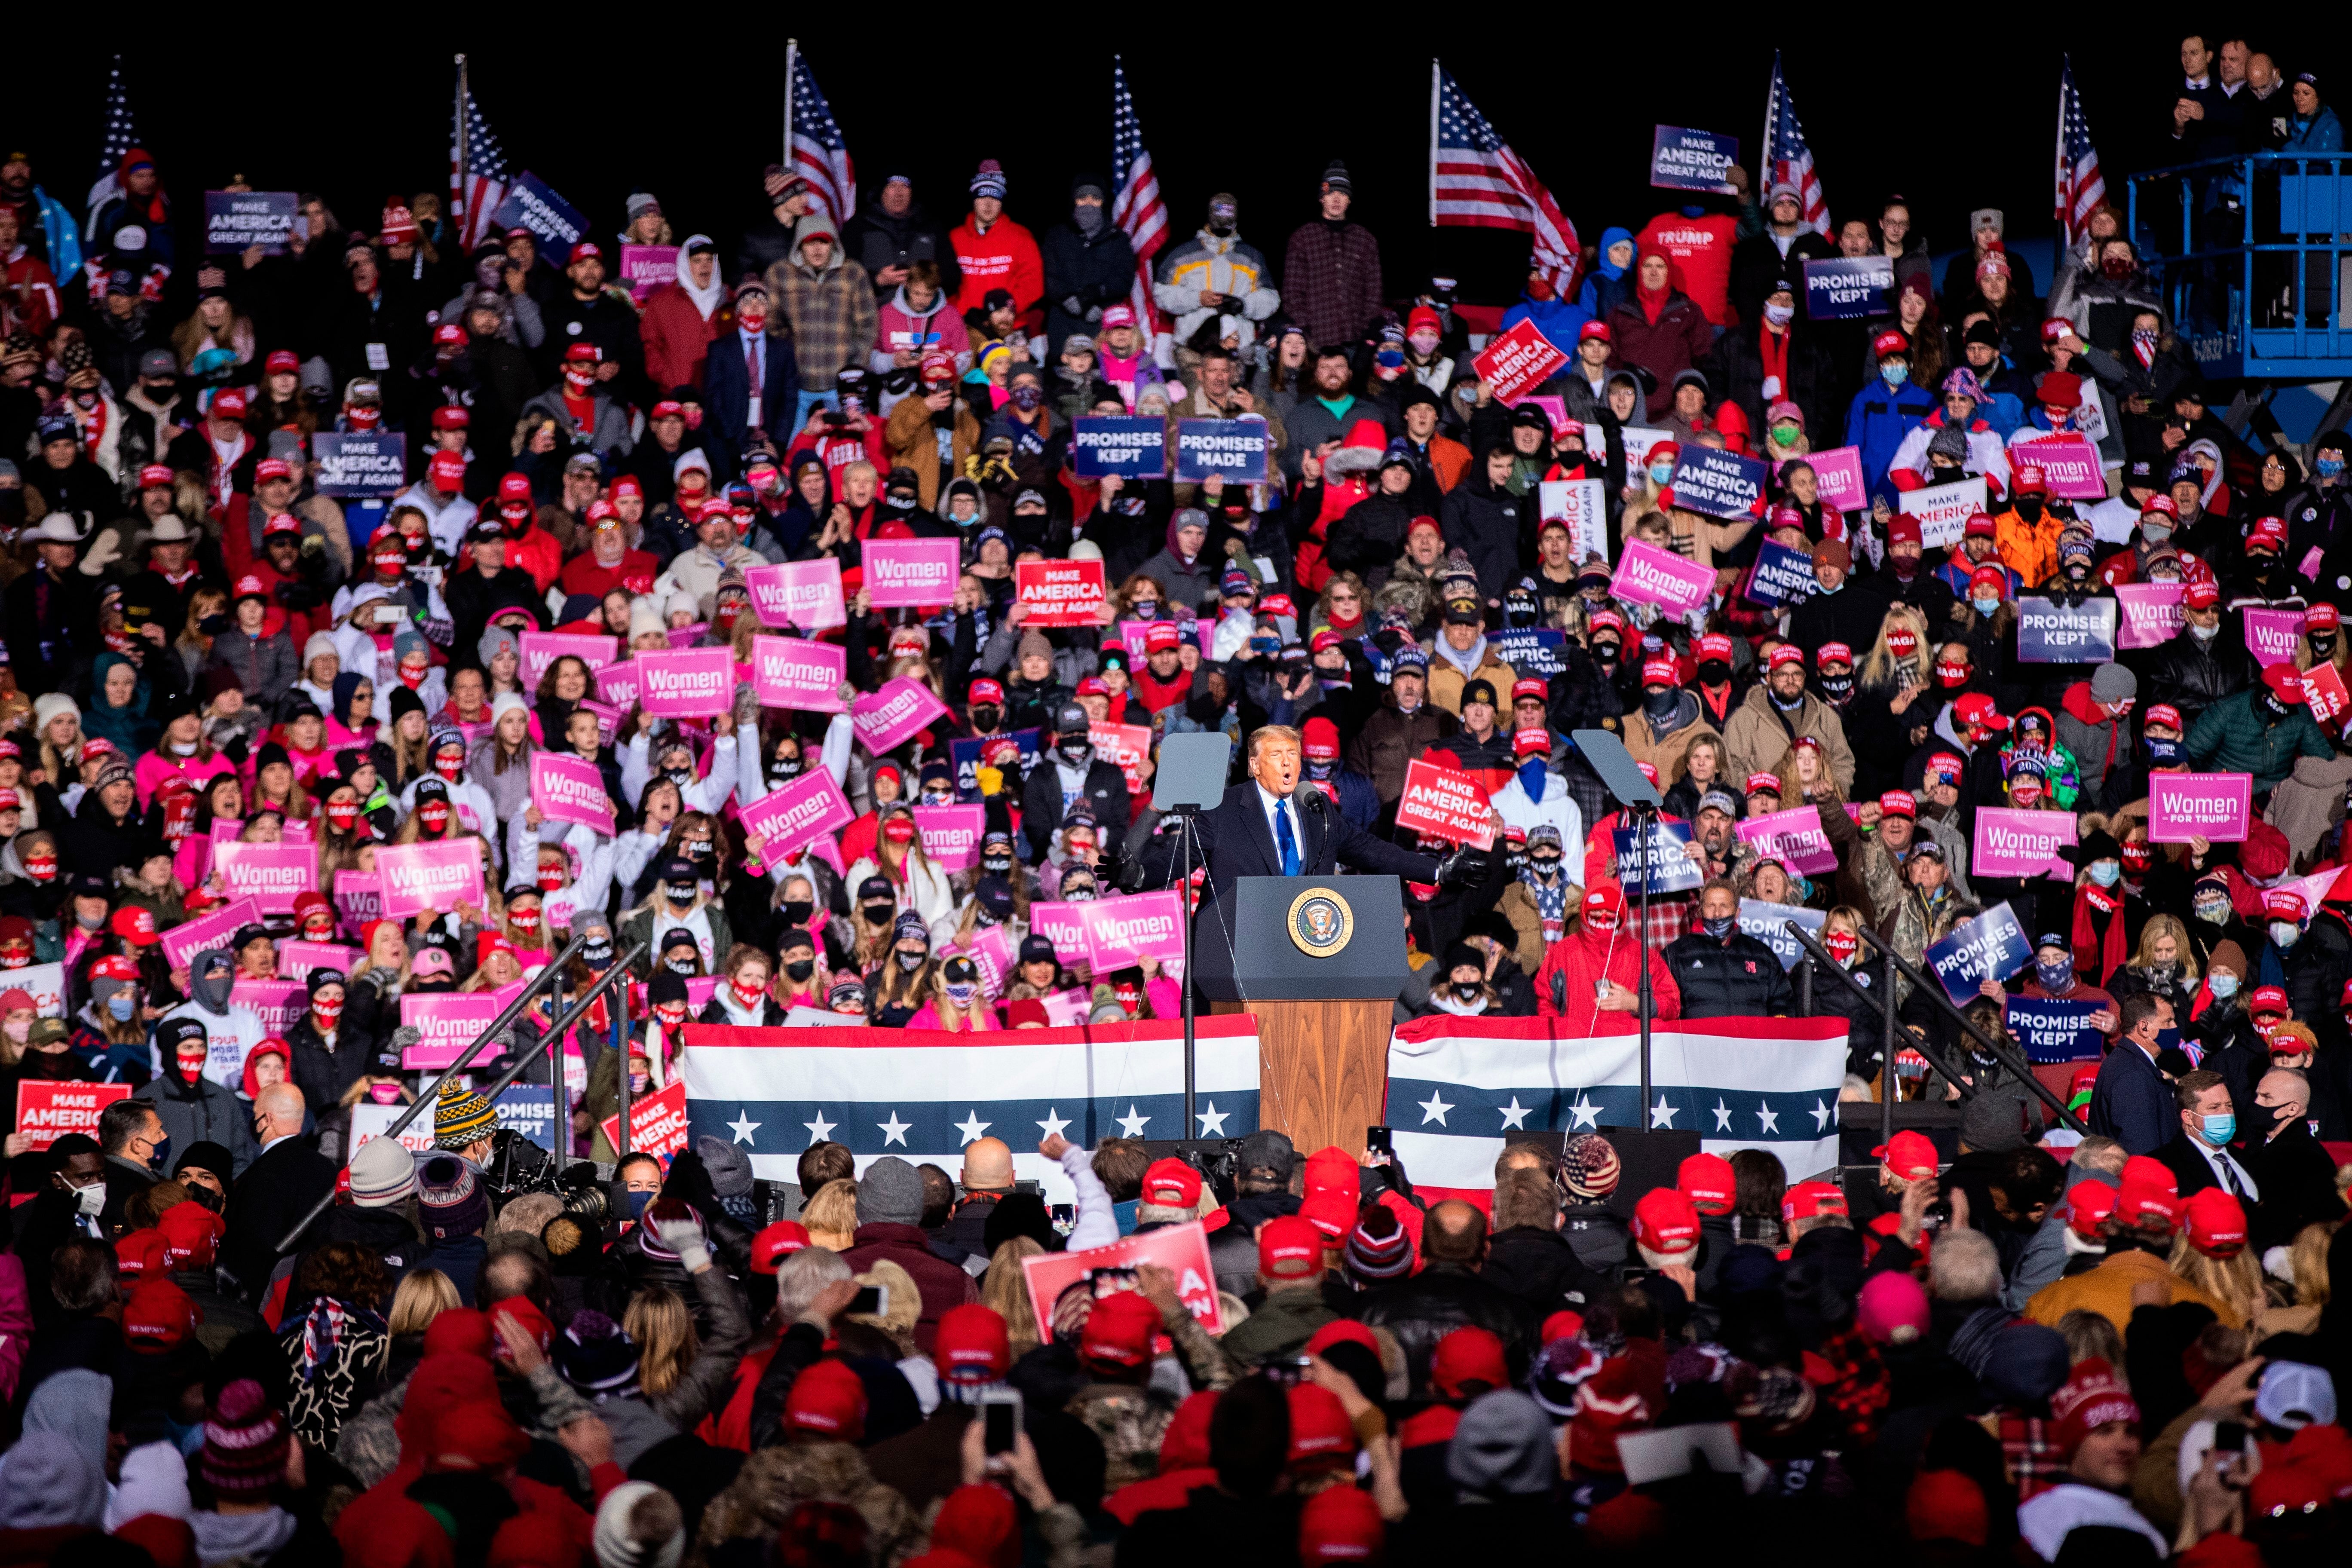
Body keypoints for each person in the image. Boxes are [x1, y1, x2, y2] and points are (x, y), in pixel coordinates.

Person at [1146, 724, 1471, 916]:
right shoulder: (1223, 809)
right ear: (1255, 765)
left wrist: (1437, 870)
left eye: (1294, 755)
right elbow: (1180, 858)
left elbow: (1371, 850)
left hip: (1304, 952)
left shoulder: (1318, 810)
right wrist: (1138, 874)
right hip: (1236, 959)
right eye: (1277, 755)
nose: (1288, 764)